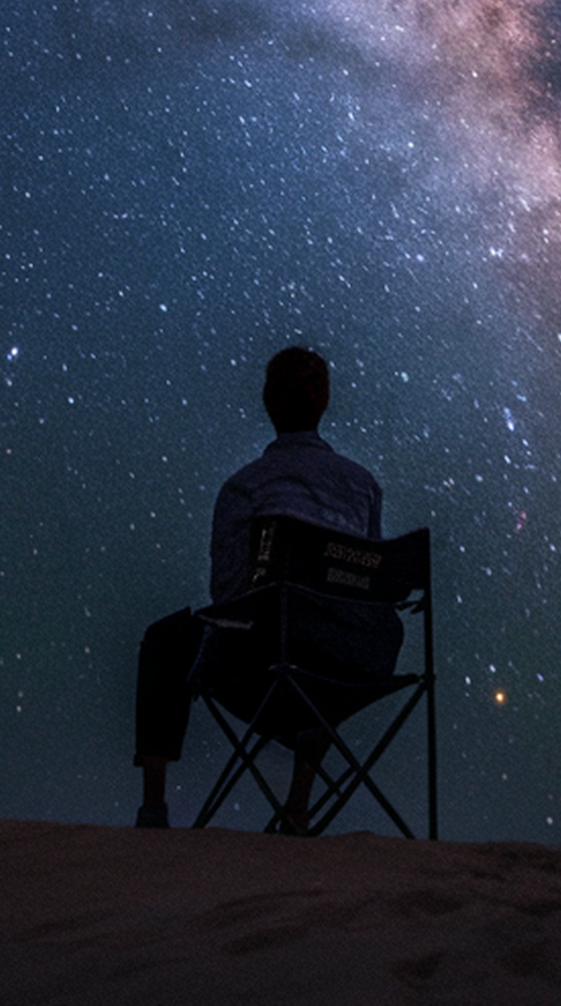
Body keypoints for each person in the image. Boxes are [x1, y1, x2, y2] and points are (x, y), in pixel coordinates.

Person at [133, 345, 393, 830]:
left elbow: (228, 593)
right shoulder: (363, 485)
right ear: (325, 402)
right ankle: (297, 805)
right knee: (324, 628)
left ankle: (153, 809)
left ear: (268, 401)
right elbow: (369, 587)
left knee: (166, 642)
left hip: (262, 662)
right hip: (348, 666)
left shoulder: (242, 487)